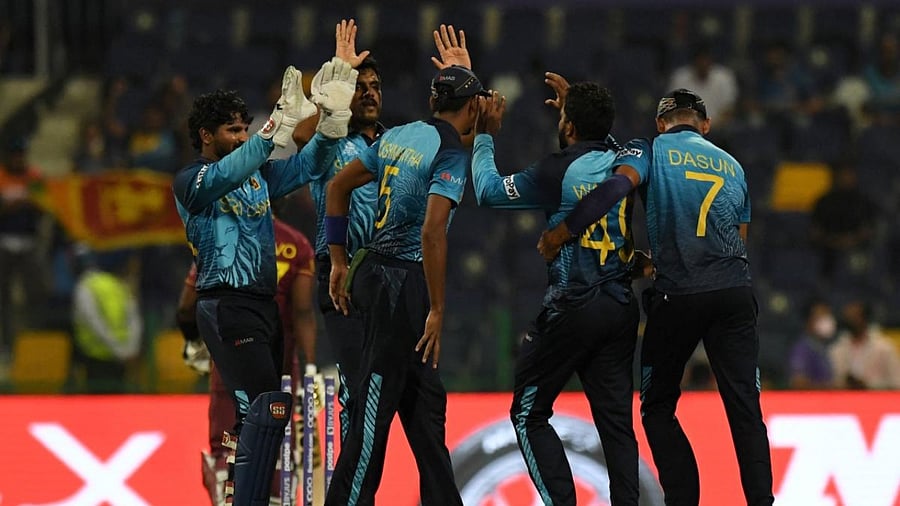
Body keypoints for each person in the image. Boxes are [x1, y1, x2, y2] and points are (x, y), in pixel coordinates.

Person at [539, 89, 775, 506]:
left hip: (678, 297)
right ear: (705, 125)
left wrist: (564, 230)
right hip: (733, 293)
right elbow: (738, 241)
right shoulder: (734, 165)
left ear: (660, 124)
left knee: (658, 406)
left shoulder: (652, 150)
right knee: (745, 408)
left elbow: (616, 184)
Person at [172, 58, 356, 506]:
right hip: (224, 306)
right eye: (231, 131)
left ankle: (245, 499)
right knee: (267, 407)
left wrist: (332, 124)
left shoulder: (256, 175)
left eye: (243, 129)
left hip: (262, 309)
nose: (239, 138)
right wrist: (276, 127)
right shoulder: (192, 182)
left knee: (265, 415)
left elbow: (309, 166)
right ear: (205, 136)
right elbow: (227, 174)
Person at [322, 63, 488, 506]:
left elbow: (336, 188)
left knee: (426, 409)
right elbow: (433, 232)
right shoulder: (451, 151)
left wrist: (338, 261)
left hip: (374, 272)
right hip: (403, 285)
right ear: (472, 105)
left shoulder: (398, 135)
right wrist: (437, 309)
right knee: (373, 407)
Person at [471, 75, 641, 504]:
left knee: (528, 412)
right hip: (620, 306)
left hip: (572, 308)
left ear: (567, 127)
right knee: (616, 423)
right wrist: (587, 117)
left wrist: (485, 136)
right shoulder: (627, 161)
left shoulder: (555, 170)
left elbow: (489, 191)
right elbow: (609, 151)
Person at [177, 198, 317, 506]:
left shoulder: (218, 238)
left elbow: (187, 307)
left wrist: (193, 342)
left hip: (229, 365)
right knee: (274, 448)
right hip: (279, 370)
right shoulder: (298, 246)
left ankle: (223, 492)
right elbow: (303, 314)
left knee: (227, 447)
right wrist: (311, 369)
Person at [0, 137, 49, 362]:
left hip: (29, 242)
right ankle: (7, 346)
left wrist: (23, 203)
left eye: (22, 154)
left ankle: (34, 343)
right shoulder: (2, 176)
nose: (19, 158)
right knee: (3, 298)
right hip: (5, 242)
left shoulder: (35, 176)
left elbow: (44, 206)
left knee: (36, 294)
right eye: (15, 154)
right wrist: (22, 202)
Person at [70, 247, 142, 393]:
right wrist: (130, 349)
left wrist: (119, 350)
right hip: (120, 356)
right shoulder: (118, 284)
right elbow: (134, 319)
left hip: (98, 357)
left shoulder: (86, 286)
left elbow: (94, 323)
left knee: (98, 408)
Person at [829, 299, 900, 390]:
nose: (851, 320)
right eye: (848, 317)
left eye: (855, 317)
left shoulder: (884, 348)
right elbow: (834, 383)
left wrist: (869, 386)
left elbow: (897, 383)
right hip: (845, 401)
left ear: (865, 318)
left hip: (878, 400)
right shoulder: (837, 349)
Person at [788, 299, 837, 389]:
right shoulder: (803, 349)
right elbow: (798, 383)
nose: (826, 321)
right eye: (821, 317)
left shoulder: (825, 347)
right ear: (809, 321)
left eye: (827, 316)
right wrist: (829, 388)